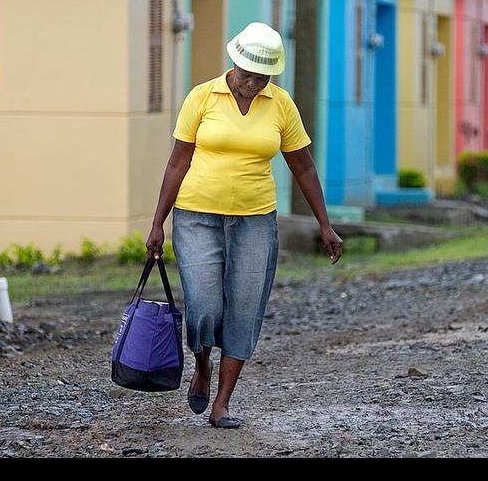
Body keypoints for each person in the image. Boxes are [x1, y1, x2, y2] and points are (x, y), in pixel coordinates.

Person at [145, 22, 342, 429]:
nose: (254, 82)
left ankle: (222, 404)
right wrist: (157, 223)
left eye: (263, 75)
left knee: (246, 308)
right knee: (203, 306)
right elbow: (178, 161)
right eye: (249, 73)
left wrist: (324, 224)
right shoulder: (202, 96)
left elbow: (302, 165)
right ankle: (202, 365)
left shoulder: (281, 104)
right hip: (196, 216)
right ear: (234, 62)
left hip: (255, 221)